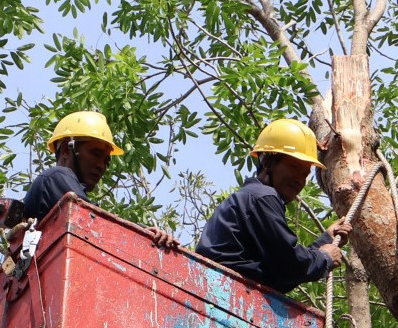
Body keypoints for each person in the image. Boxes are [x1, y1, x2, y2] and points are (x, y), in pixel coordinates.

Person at [196, 119, 349, 293]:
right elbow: (288, 267)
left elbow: (280, 269)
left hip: (220, 289)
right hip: (223, 289)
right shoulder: (263, 197)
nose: (299, 179)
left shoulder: (249, 197)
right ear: (268, 162)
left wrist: (326, 240)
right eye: (293, 167)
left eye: (305, 174)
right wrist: (324, 258)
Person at [22, 110, 176, 248]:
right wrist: (141, 234)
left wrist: (144, 233)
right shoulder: (56, 176)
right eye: (95, 154)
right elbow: (93, 220)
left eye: (106, 161)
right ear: (66, 151)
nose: (101, 165)